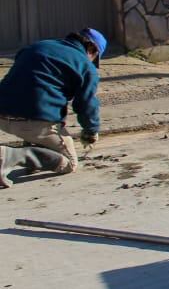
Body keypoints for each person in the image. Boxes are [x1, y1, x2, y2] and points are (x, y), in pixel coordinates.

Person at [0, 28, 105, 188]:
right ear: (92, 49)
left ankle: (33, 152)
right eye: (95, 58)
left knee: (36, 107)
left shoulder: (37, 46)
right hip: (34, 121)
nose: (92, 62)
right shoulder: (86, 66)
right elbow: (86, 104)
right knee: (70, 164)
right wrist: (90, 130)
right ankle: (11, 156)